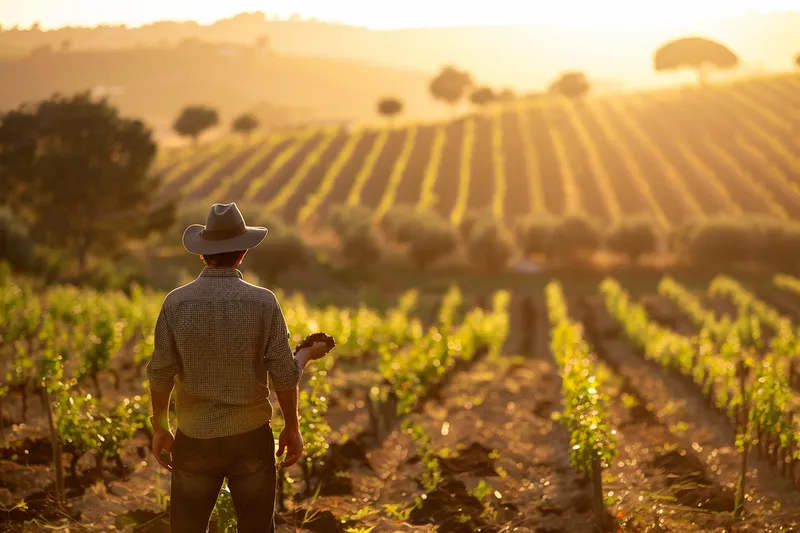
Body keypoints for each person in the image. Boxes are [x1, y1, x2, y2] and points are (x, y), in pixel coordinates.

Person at [146, 203, 333, 533]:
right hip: (251, 438)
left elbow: (160, 372)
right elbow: (284, 375)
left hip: (194, 436)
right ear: (243, 252)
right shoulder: (264, 302)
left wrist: (161, 426)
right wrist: (292, 424)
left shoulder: (175, 303)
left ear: (203, 254)